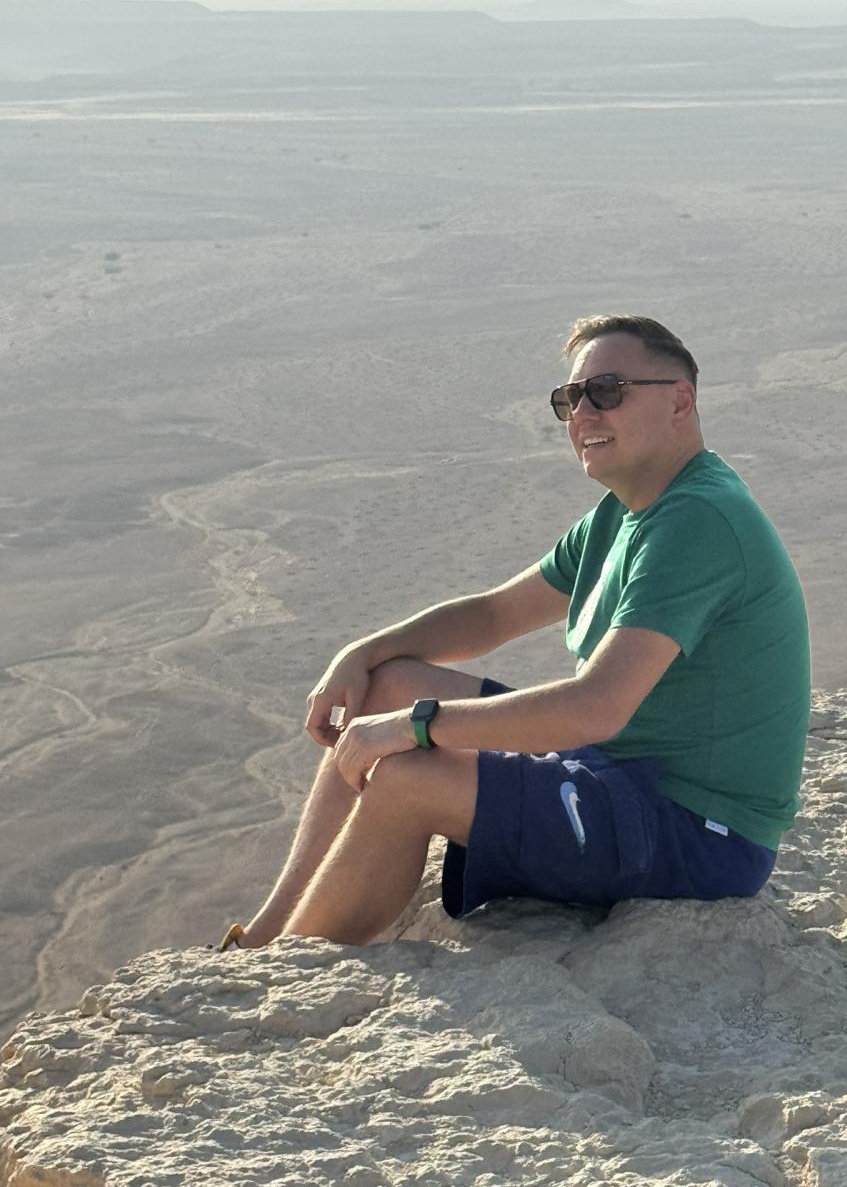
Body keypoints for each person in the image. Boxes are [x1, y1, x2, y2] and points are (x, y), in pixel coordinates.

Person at [218, 314, 810, 951]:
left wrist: (415, 728)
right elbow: (493, 615)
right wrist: (361, 655)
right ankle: (261, 939)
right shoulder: (626, 514)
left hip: (695, 831)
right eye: (571, 398)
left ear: (680, 401)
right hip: (617, 773)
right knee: (385, 686)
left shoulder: (697, 521)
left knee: (407, 779)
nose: (584, 413)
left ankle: (287, 970)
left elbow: (595, 707)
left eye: (607, 391)